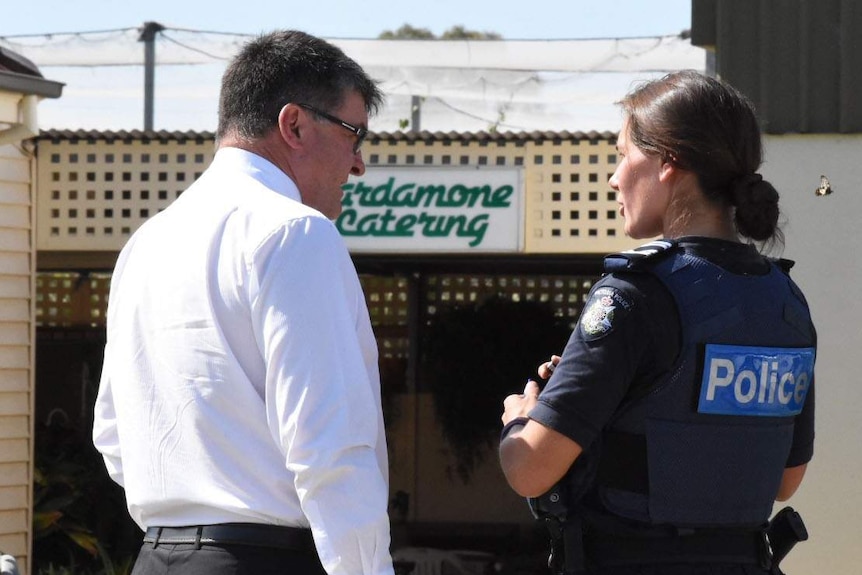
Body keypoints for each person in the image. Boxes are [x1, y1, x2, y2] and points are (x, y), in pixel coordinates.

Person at [92, 30, 394, 575]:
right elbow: (331, 451)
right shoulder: (297, 232)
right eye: (355, 135)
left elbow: (113, 435)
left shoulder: (146, 242)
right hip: (263, 558)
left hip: (157, 558)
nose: (358, 164)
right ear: (294, 124)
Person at [499, 70, 816, 575]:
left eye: (622, 154)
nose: (613, 177)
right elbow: (784, 480)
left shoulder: (636, 296)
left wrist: (522, 415)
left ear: (669, 162)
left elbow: (529, 469)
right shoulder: (784, 302)